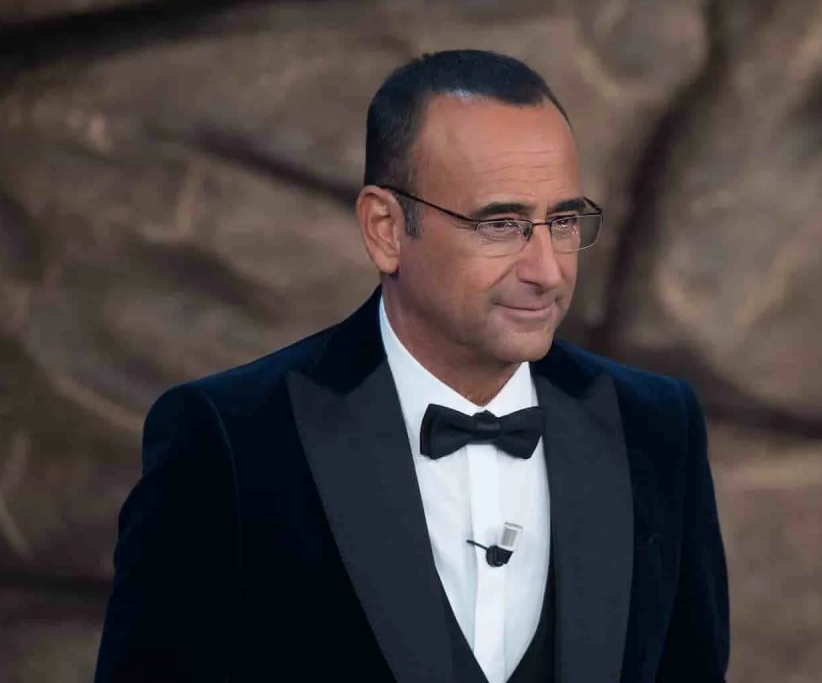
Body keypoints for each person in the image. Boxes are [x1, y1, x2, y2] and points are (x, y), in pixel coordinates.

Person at [93, 49, 729, 683]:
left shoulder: (657, 428)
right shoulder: (228, 440)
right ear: (386, 229)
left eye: (561, 220)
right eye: (501, 224)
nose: (548, 270)